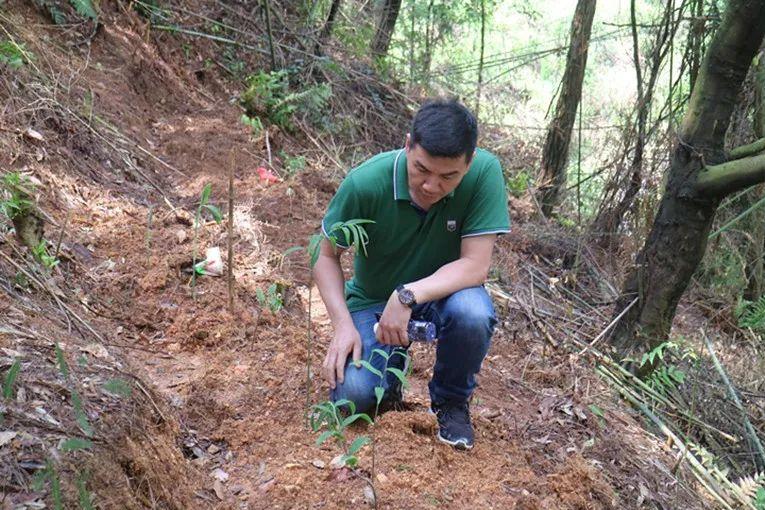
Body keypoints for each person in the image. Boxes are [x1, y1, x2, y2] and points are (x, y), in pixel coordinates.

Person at [313, 98, 510, 450]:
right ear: (407, 146)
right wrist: (342, 325)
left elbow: (476, 265)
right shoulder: (366, 183)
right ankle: (389, 374)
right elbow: (324, 255)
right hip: (372, 303)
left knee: (474, 313)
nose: (431, 186)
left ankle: (451, 404)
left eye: (448, 176)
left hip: (442, 296)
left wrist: (407, 295)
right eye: (421, 169)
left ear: (470, 162)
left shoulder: (484, 174)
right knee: (353, 399)